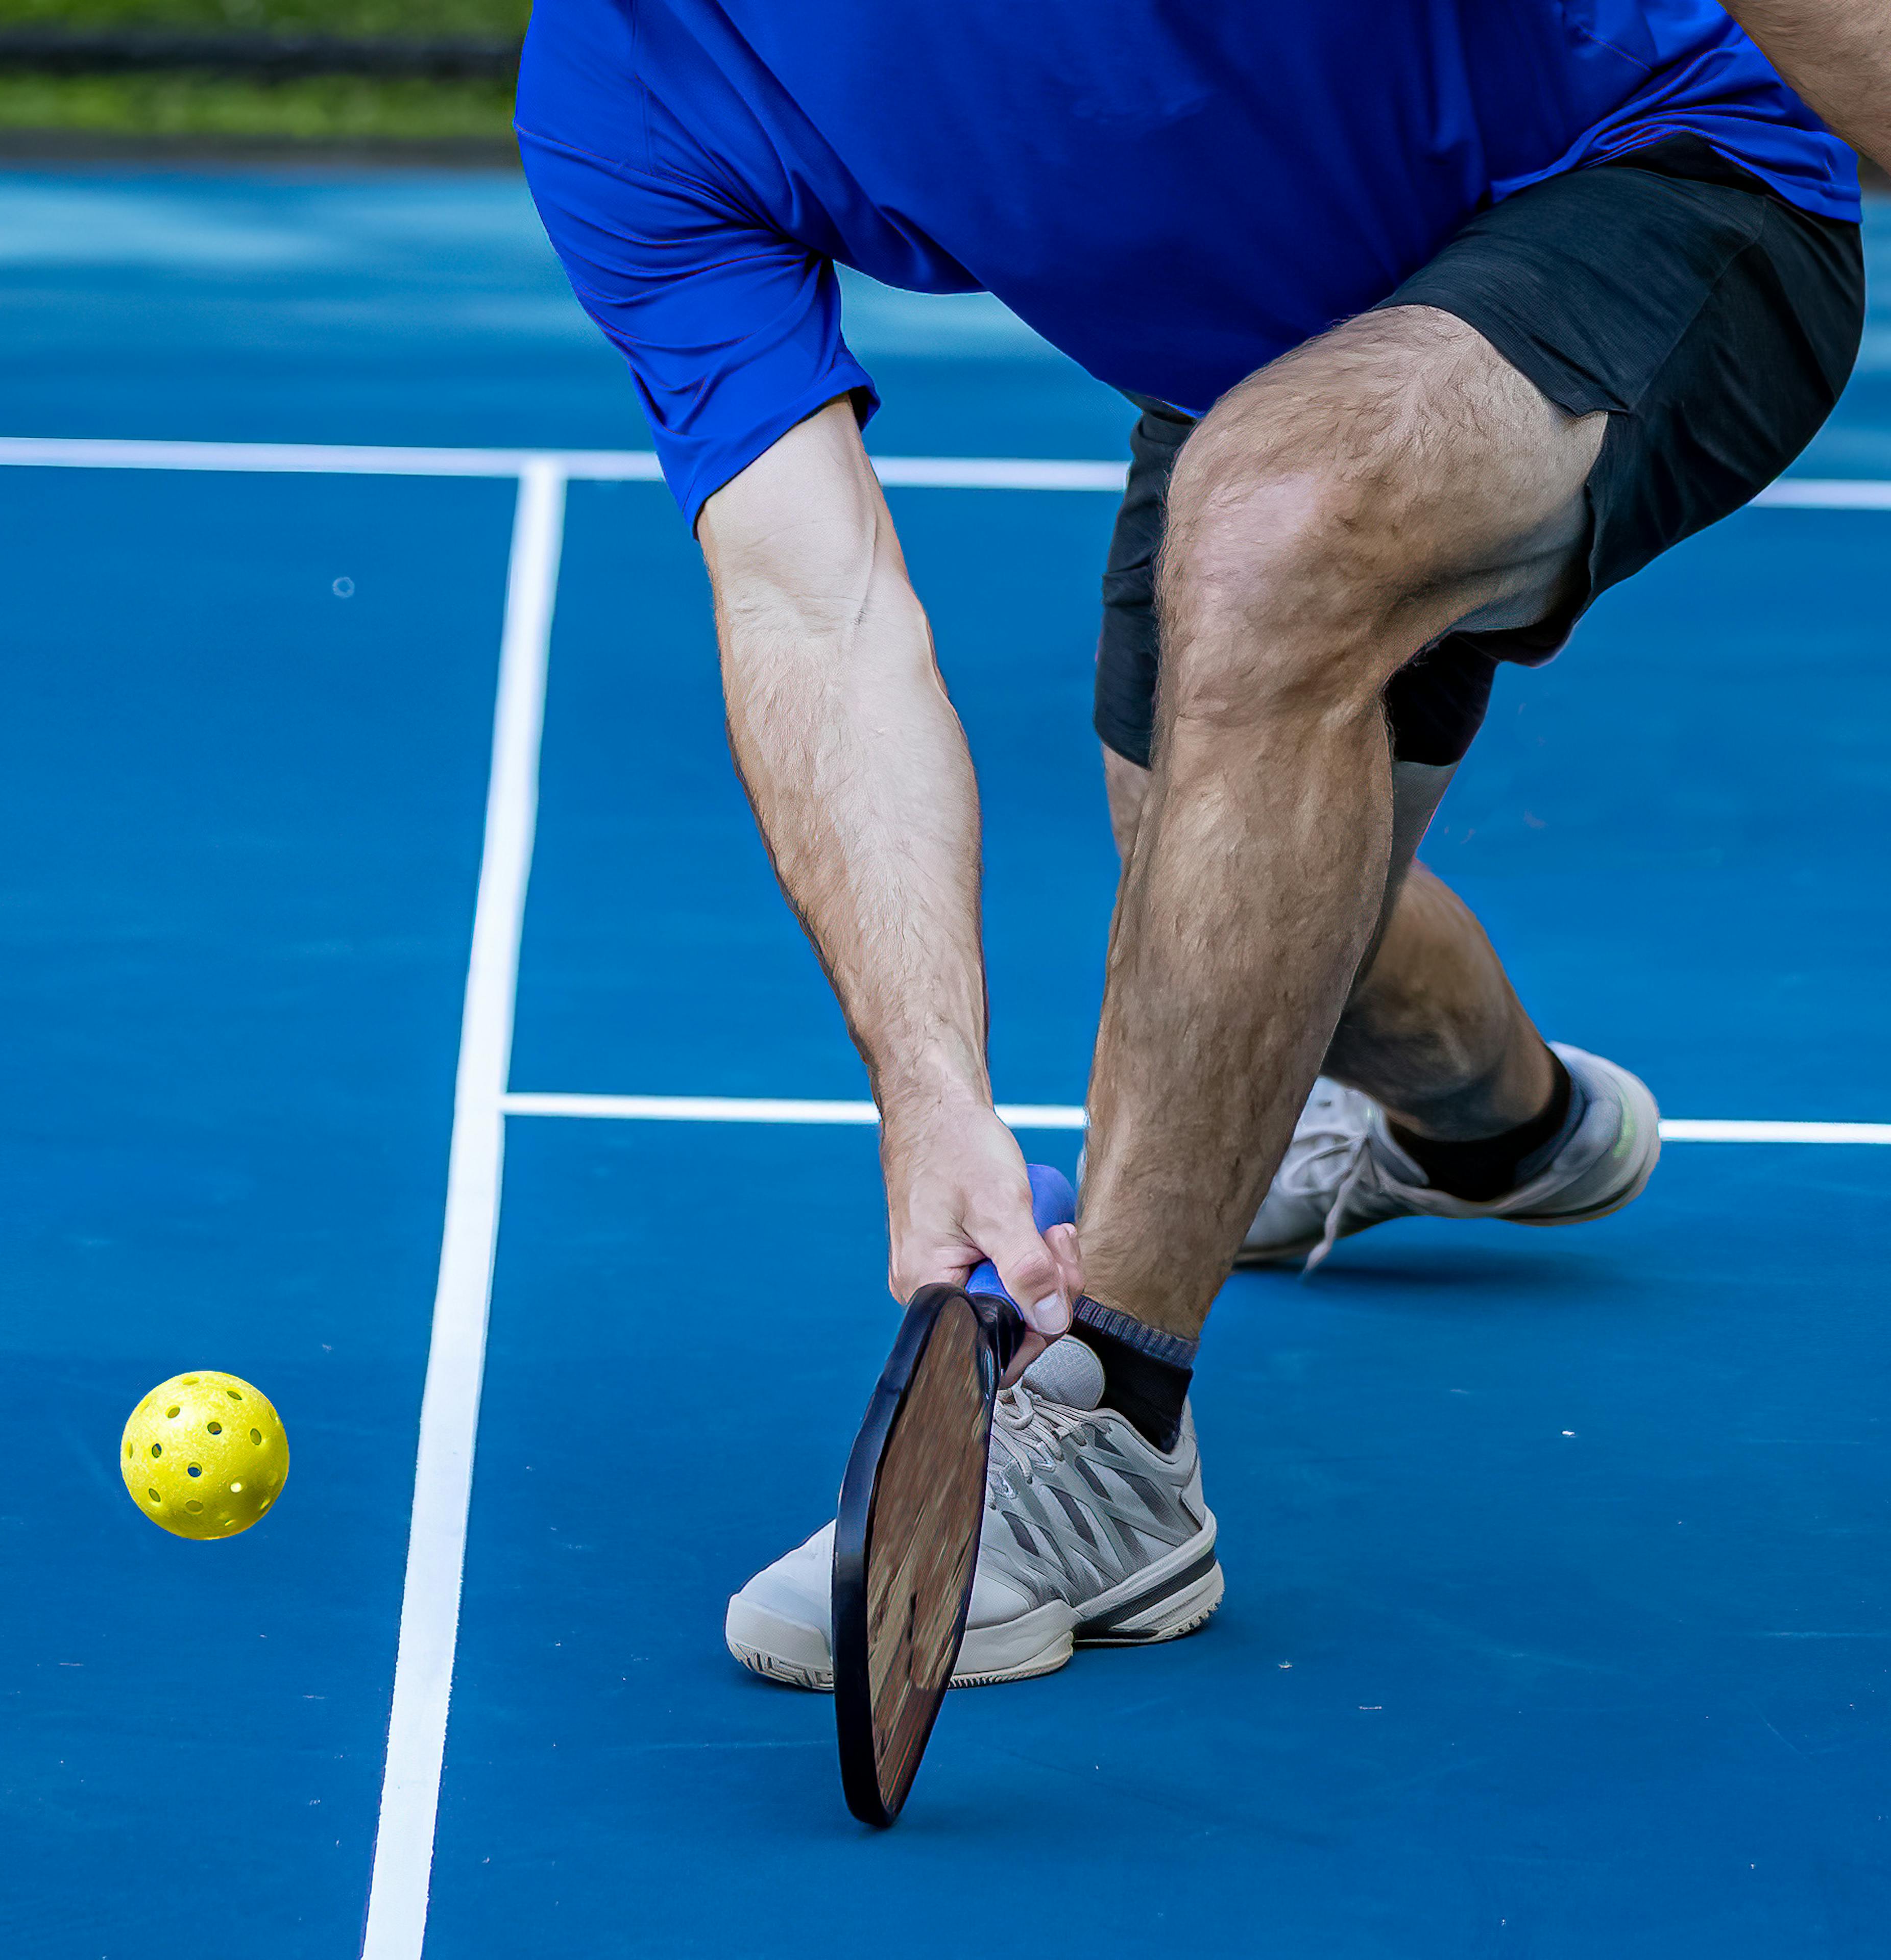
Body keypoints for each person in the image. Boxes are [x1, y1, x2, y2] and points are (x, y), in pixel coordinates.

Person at [514, 2, 1883, 1688]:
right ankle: (1501, 1133)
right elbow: (813, 607)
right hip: (1277, 356)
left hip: (1663, 173)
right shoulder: (624, 85)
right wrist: (928, 1084)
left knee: (1267, 536)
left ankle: (1111, 1437)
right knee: (1248, 939)